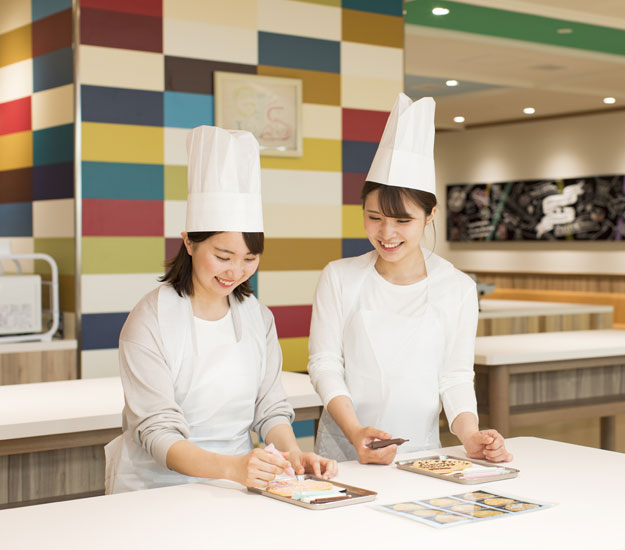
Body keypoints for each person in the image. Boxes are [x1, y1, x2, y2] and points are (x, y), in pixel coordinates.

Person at [105, 126, 336, 493]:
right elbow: (157, 430)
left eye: (250, 258)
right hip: (156, 489)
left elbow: (269, 407)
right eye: (223, 256)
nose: (236, 271)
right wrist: (232, 467)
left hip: (235, 487)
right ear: (189, 243)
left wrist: (292, 454)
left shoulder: (257, 316)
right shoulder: (150, 318)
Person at [308, 94, 513, 464]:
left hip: (422, 453)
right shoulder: (339, 277)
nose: (386, 233)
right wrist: (356, 432)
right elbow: (324, 364)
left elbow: (454, 377)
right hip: (344, 451)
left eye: (403, 221)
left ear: (430, 214)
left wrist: (470, 436)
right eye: (374, 217)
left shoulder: (456, 287)